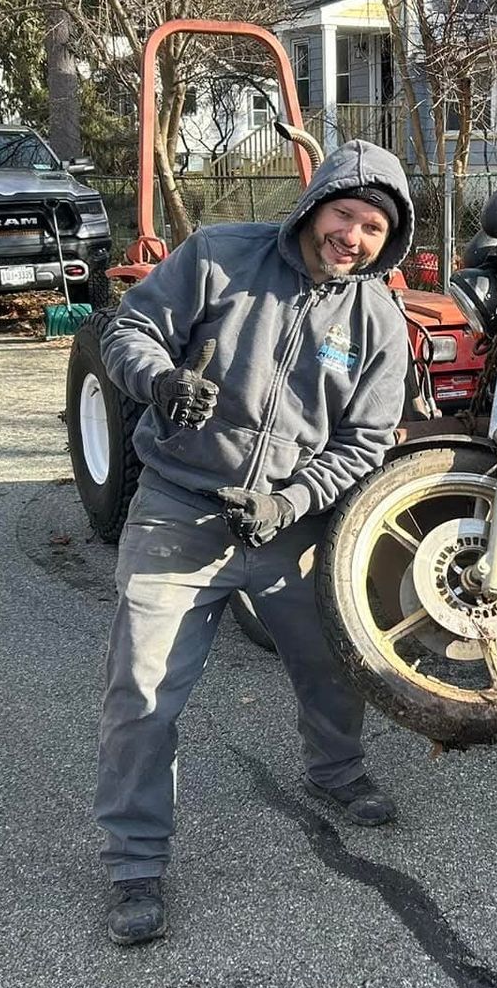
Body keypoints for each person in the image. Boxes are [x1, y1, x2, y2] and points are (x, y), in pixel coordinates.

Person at [94, 139, 414, 946]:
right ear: (316, 205)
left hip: (291, 525)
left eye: (375, 227)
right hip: (178, 510)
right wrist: (160, 381)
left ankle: (336, 772)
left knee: (336, 662)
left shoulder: (377, 318)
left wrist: (292, 502)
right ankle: (136, 864)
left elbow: (367, 440)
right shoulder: (219, 256)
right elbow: (128, 333)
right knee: (142, 691)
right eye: (347, 213)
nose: (356, 236)